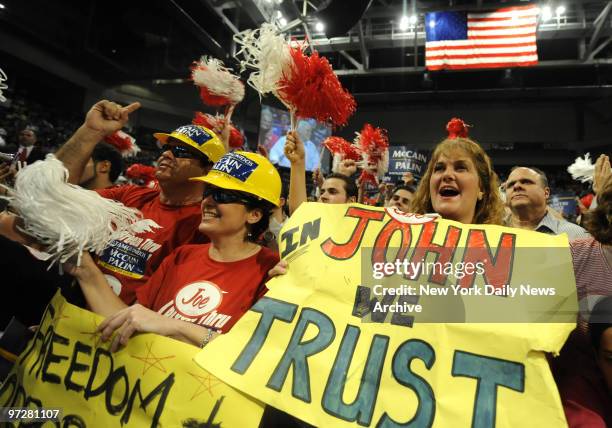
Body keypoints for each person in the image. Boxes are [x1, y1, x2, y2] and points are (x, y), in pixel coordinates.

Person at [68, 151, 281, 351]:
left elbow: (256, 356)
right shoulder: (183, 255)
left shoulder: (271, 272)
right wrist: (83, 268)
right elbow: (128, 320)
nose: (208, 201)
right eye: (209, 192)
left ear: (254, 214)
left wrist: (175, 326)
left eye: (223, 195)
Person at [54, 100, 226, 303]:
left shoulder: (205, 225)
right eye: (167, 147)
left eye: (181, 152)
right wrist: (90, 131)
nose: (167, 154)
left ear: (208, 169)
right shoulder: (130, 196)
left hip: (128, 329)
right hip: (70, 315)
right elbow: (58, 193)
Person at [411, 134, 505, 225]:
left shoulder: (502, 241)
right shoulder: (405, 239)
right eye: (439, 168)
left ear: (481, 189)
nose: (447, 175)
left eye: (460, 168)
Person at [505, 166, 590, 239]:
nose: (516, 186)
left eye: (526, 182)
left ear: (546, 193)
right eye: (510, 185)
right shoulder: (492, 230)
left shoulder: (575, 235)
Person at [285, 132, 357, 214]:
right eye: (322, 192)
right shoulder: (312, 223)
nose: (322, 196)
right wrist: (298, 162)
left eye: (332, 192)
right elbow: (297, 215)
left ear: (351, 201)